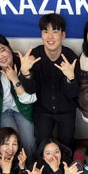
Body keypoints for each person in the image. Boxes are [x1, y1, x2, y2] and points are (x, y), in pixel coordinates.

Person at [18, 13, 80, 150]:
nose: (50, 36)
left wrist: (70, 78)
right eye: (46, 31)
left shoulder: (71, 57)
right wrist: (25, 73)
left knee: (67, 143)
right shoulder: (34, 56)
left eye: (55, 31)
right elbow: (31, 89)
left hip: (66, 110)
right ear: (41, 34)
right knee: (42, 144)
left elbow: (73, 93)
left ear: (63, 35)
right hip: (42, 110)